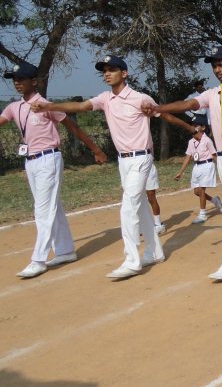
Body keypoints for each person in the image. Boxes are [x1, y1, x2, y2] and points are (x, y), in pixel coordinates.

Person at [31, 55, 179, 278]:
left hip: (141, 158)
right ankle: (155, 251)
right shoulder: (105, 99)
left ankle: (132, 261)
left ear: (124, 73)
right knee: (139, 206)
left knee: (128, 208)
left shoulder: (140, 98)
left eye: (112, 69)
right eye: (104, 71)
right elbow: (80, 106)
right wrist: (48, 106)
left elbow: (163, 113)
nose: (107, 74)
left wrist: (190, 128)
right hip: (123, 161)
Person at [145, 46, 222, 280]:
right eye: (215, 66)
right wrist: (158, 108)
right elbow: (188, 105)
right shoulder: (211, 94)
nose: (218, 70)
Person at [1, 61, 107, 278]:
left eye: (21, 79)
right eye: (14, 80)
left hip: (48, 158)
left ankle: (38, 260)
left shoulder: (46, 105)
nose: (17, 83)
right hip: (30, 161)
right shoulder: (14, 107)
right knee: (52, 207)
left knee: (42, 210)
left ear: (34, 82)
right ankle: (66, 250)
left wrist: (96, 150)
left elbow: (73, 127)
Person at [174, 125, 222, 224]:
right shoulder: (191, 142)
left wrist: (221, 167)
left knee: (201, 190)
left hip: (207, 165)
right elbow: (188, 157)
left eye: (198, 131)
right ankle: (214, 200)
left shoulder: (207, 140)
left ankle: (202, 215)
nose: (197, 133)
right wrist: (180, 172)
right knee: (197, 192)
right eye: (195, 132)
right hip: (196, 166)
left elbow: (214, 155)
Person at [145, 165, 165, 235]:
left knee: (151, 196)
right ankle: (142, 225)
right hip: (135, 171)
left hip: (148, 169)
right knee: (138, 199)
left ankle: (158, 224)